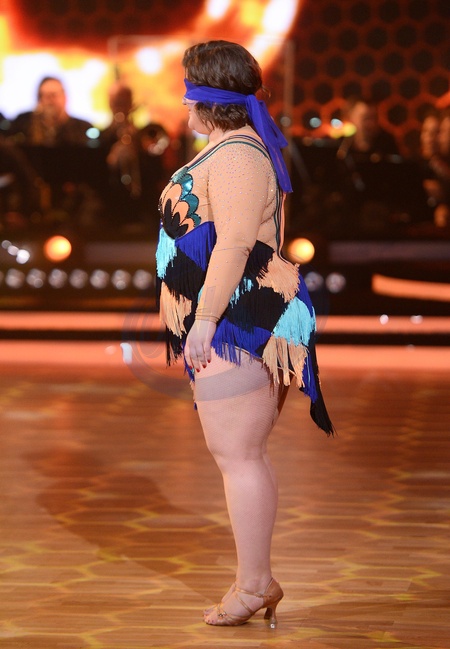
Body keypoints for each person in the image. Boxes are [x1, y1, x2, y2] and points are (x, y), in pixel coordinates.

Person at [155, 40, 334, 628]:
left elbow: (234, 244)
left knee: (238, 454)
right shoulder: (231, 149)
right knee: (237, 453)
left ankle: (255, 584)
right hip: (235, 312)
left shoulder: (236, 155)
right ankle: (257, 580)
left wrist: (206, 319)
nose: (183, 101)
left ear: (206, 97)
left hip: (240, 316)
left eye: (188, 89)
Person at [8, 76, 92, 146]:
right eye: (44, 96)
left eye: (53, 95)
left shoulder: (82, 128)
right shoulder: (23, 123)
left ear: (65, 98)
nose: (50, 101)